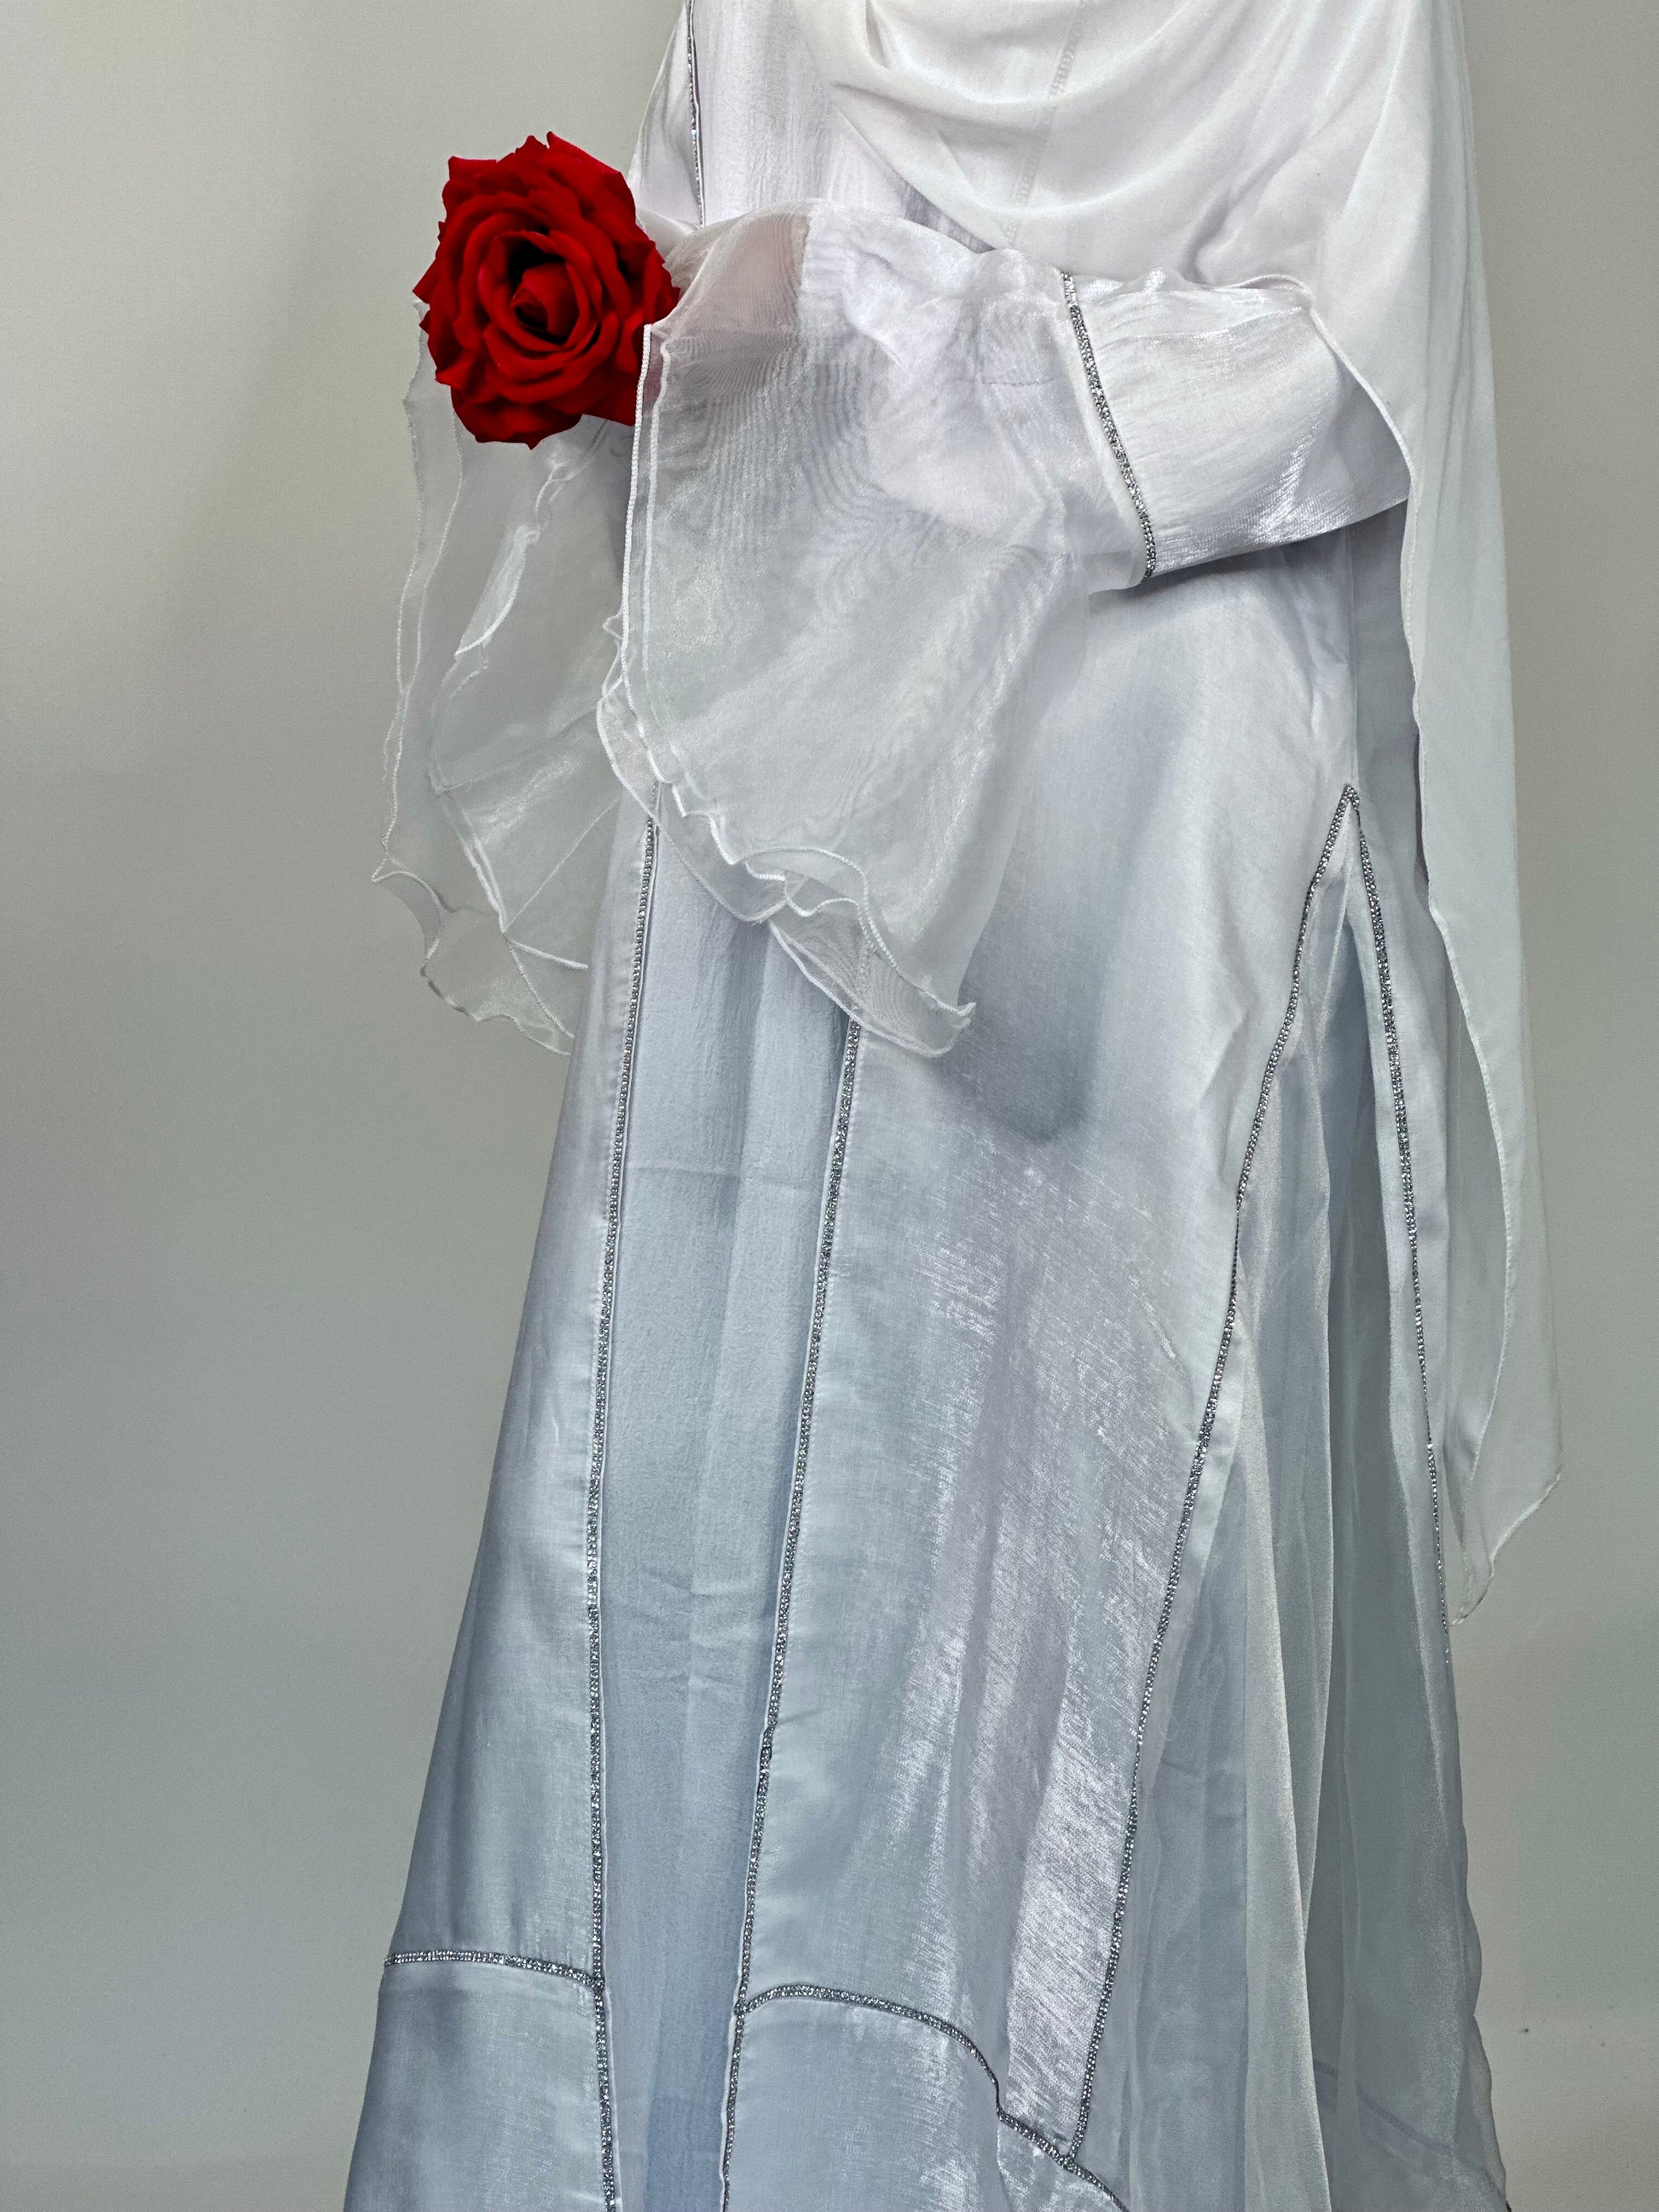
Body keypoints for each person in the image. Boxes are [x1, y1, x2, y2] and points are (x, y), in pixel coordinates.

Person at [346, 2, 1560, 2205]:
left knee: (1081, 1572)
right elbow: (707, 324)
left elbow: (1324, 388)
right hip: (796, 805)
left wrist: (830, 324)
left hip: (1145, 845)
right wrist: (679, 332)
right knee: (741, 1518)